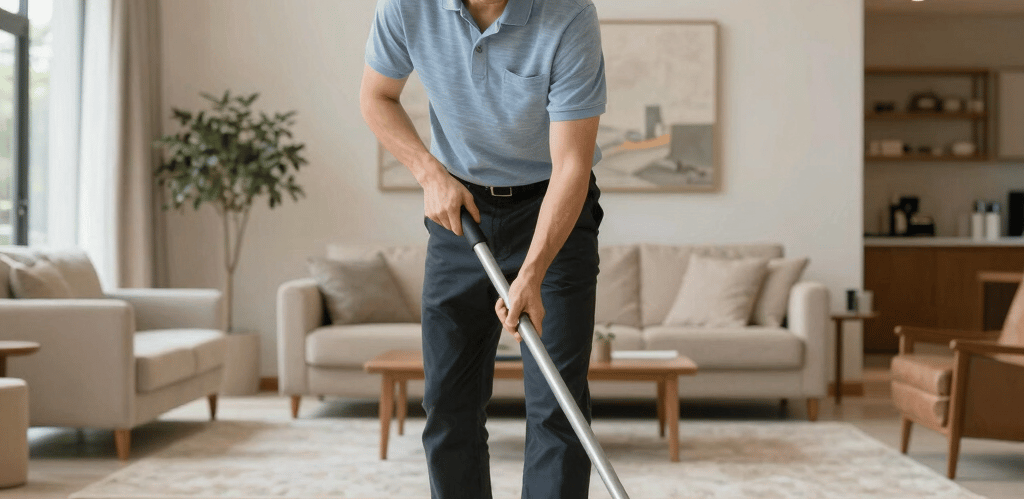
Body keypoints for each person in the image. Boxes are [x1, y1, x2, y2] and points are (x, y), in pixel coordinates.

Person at [360, 0, 606, 497]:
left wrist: (533, 272)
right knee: (449, 403)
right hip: (461, 213)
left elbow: (572, 165)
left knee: (558, 408)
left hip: (552, 208)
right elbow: (376, 97)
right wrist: (430, 174)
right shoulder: (407, 6)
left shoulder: (570, 13)